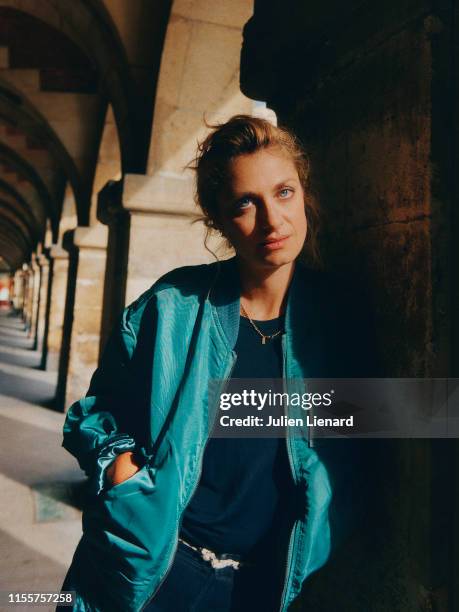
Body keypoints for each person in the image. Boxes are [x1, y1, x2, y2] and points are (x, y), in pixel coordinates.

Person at [59, 115, 377, 612]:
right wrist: (121, 470)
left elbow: (379, 438)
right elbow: (95, 412)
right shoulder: (173, 306)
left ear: (304, 193)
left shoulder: (338, 323)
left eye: (284, 192)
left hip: (263, 588)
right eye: (245, 204)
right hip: (157, 568)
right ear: (219, 219)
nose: (273, 221)